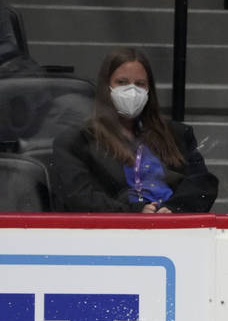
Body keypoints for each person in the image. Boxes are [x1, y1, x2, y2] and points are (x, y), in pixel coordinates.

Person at [50, 47, 218, 213]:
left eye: (140, 84)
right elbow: (80, 198)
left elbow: (202, 183)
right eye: (122, 82)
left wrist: (173, 209)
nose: (132, 91)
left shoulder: (177, 134)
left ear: (149, 90)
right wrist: (135, 212)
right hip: (115, 233)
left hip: (174, 227)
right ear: (105, 87)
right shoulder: (76, 141)